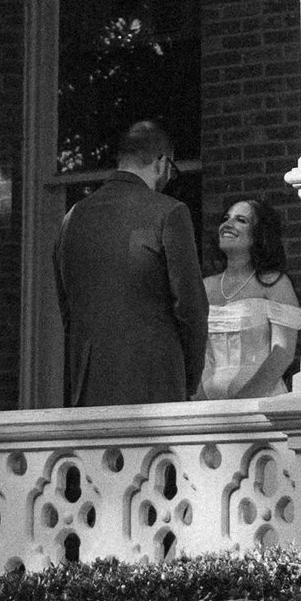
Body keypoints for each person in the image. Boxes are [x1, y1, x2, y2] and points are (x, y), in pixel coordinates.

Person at [54, 118, 209, 405]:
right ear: (162, 163)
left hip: (89, 390)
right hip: (157, 386)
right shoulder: (170, 212)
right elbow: (191, 309)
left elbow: (68, 310)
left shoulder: (72, 217)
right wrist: (188, 379)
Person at [199, 195, 301, 398]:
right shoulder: (205, 286)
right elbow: (193, 352)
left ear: (258, 235)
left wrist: (242, 403)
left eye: (241, 220)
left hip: (260, 401)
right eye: (226, 218)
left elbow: (282, 354)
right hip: (207, 404)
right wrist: (199, 399)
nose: (227, 224)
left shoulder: (275, 283)